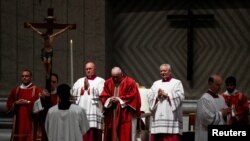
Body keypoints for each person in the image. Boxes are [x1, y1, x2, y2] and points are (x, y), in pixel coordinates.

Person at [99, 67, 141, 141]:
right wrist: (109, 99)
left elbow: (134, 96)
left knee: (125, 134)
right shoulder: (108, 82)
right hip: (111, 113)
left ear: (121, 74)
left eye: (117, 77)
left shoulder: (130, 82)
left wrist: (119, 99)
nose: (114, 79)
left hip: (126, 114)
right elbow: (103, 95)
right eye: (113, 77)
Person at [148, 63, 185, 141]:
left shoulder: (177, 83)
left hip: (171, 118)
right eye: (161, 71)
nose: (162, 73)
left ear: (170, 71)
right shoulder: (156, 83)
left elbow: (180, 96)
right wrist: (157, 96)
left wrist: (167, 95)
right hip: (158, 117)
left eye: (164, 71)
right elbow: (150, 96)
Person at [6, 69, 43, 141]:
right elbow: (9, 103)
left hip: (30, 122)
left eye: (26, 76)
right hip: (18, 123)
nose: (24, 77)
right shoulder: (16, 90)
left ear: (31, 78)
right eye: (22, 76)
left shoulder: (37, 90)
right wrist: (16, 103)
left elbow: (40, 105)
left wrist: (28, 103)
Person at [72, 62, 105, 141]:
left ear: (94, 69)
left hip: (94, 111)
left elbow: (103, 94)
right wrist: (82, 89)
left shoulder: (101, 81)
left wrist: (90, 89)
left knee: (93, 135)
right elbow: (72, 92)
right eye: (86, 69)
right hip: (82, 111)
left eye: (90, 68)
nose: (88, 70)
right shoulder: (80, 81)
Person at [195, 74, 231, 141]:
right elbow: (206, 119)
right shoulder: (204, 99)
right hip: (206, 134)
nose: (220, 87)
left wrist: (228, 112)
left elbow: (225, 114)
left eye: (220, 85)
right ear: (210, 84)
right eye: (217, 85)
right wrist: (221, 114)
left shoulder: (221, 98)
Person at [39, 73, 60, 141]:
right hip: (44, 125)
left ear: (57, 83)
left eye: (54, 82)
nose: (51, 84)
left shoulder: (60, 96)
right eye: (50, 82)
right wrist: (41, 99)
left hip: (57, 125)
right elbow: (36, 111)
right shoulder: (41, 94)